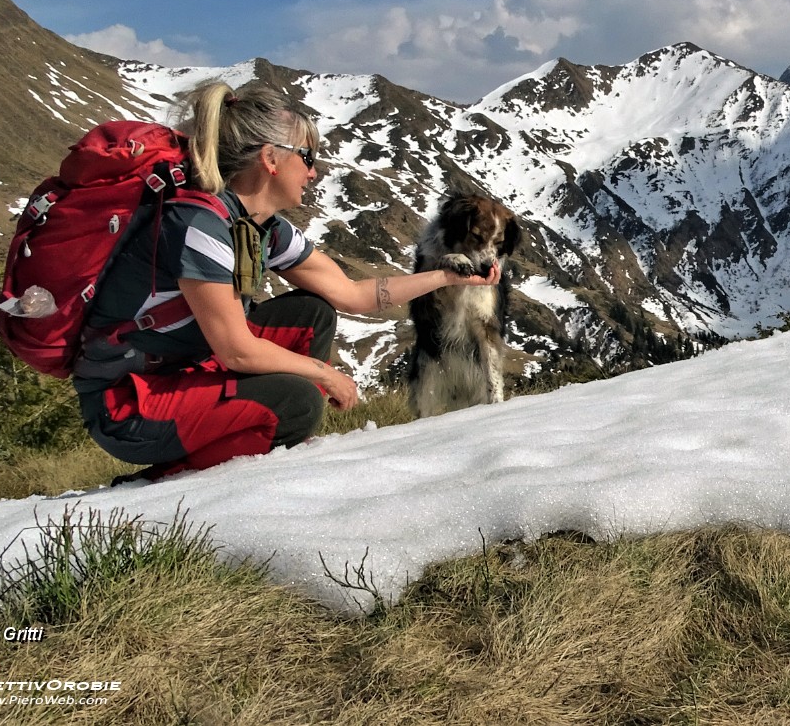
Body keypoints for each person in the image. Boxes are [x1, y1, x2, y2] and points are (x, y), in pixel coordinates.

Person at [74, 80, 501, 483]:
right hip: (129, 404)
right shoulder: (198, 225)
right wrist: (323, 375)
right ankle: (174, 478)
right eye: (308, 158)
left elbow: (352, 295)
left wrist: (448, 274)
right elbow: (236, 350)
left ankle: (268, 435)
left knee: (311, 313)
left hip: (181, 369)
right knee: (300, 401)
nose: (314, 172)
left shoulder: (261, 227)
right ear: (271, 158)